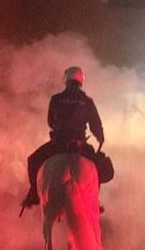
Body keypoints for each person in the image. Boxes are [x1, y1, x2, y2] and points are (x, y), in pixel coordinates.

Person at [22, 66, 105, 209]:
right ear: (81, 81)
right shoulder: (87, 101)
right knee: (98, 167)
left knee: (33, 160)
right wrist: (100, 137)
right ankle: (95, 202)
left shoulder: (56, 99)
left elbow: (50, 122)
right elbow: (95, 124)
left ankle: (34, 194)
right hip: (79, 145)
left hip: (58, 144)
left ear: (66, 80)